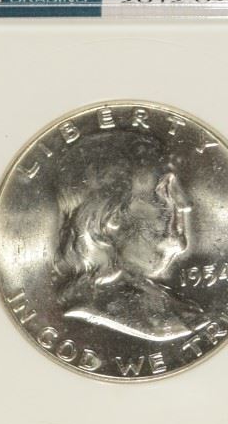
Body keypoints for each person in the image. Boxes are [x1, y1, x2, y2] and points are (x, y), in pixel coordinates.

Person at [52, 130, 210, 341]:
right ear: (111, 219)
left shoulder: (176, 312)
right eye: (164, 190)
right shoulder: (164, 322)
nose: (184, 204)